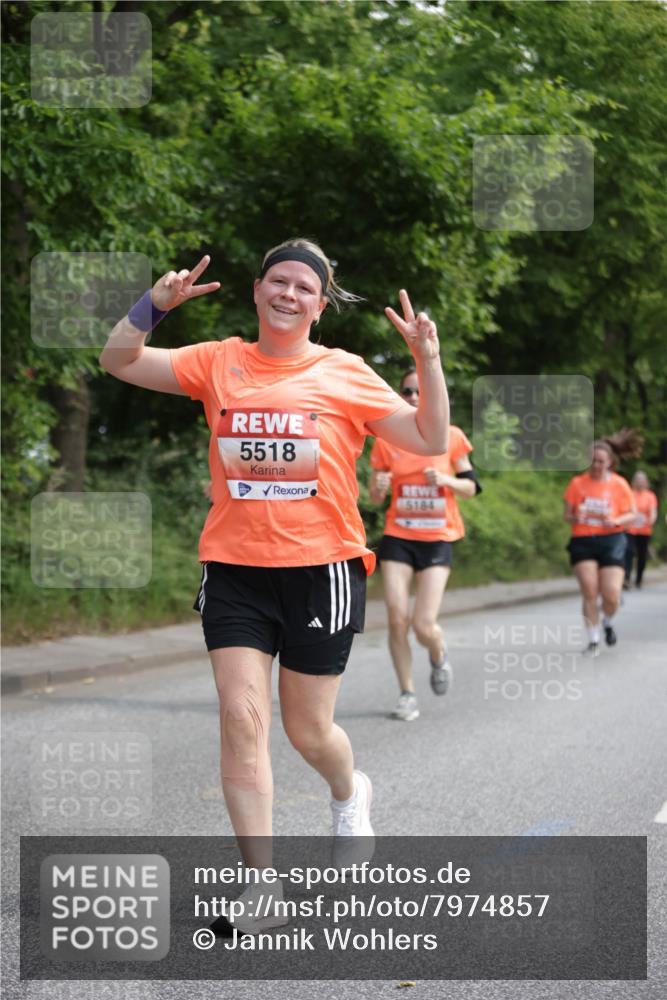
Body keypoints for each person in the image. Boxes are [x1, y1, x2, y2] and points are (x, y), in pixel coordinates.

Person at [99, 238, 448, 928]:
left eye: (304, 288)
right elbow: (118, 361)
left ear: (319, 307)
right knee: (239, 719)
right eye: (278, 281)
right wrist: (153, 306)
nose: (289, 293)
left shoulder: (343, 372)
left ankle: (349, 792)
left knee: (307, 731)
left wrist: (426, 359)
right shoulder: (218, 360)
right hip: (234, 568)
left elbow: (430, 438)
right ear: (257, 290)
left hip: (322, 571)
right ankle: (262, 887)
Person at [369, 368, 480, 721]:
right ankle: (407, 693)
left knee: (423, 624)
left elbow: (472, 487)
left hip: (437, 539)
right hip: (399, 536)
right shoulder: (388, 439)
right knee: (397, 619)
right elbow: (373, 497)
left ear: (430, 395)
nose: (413, 397)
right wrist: (380, 487)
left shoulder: (451, 436)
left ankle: (437, 651)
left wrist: (446, 479)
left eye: (419, 391)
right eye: (407, 391)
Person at [563, 430, 641, 656]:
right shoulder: (577, 483)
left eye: (600, 461)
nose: (596, 465)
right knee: (589, 591)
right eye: (592, 461)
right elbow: (567, 515)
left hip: (612, 539)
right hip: (583, 539)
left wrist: (615, 519)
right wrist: (577, 516)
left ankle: (607, 620)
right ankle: (594, 640)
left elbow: (632, 515)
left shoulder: (619, 484)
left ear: (610, 463)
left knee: (611, 595)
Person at [624, 471, 658, 590]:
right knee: (629, 551)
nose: (640, 482)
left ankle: (639, 579)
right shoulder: (629, 493)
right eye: (638, 480)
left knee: (642, 556)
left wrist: (651, 520)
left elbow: (653, 512)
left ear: (645, 482)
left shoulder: (650, 496)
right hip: (630, 529)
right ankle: (626, 578)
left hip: (644, 530)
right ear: (634, 481)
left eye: (642, 480)